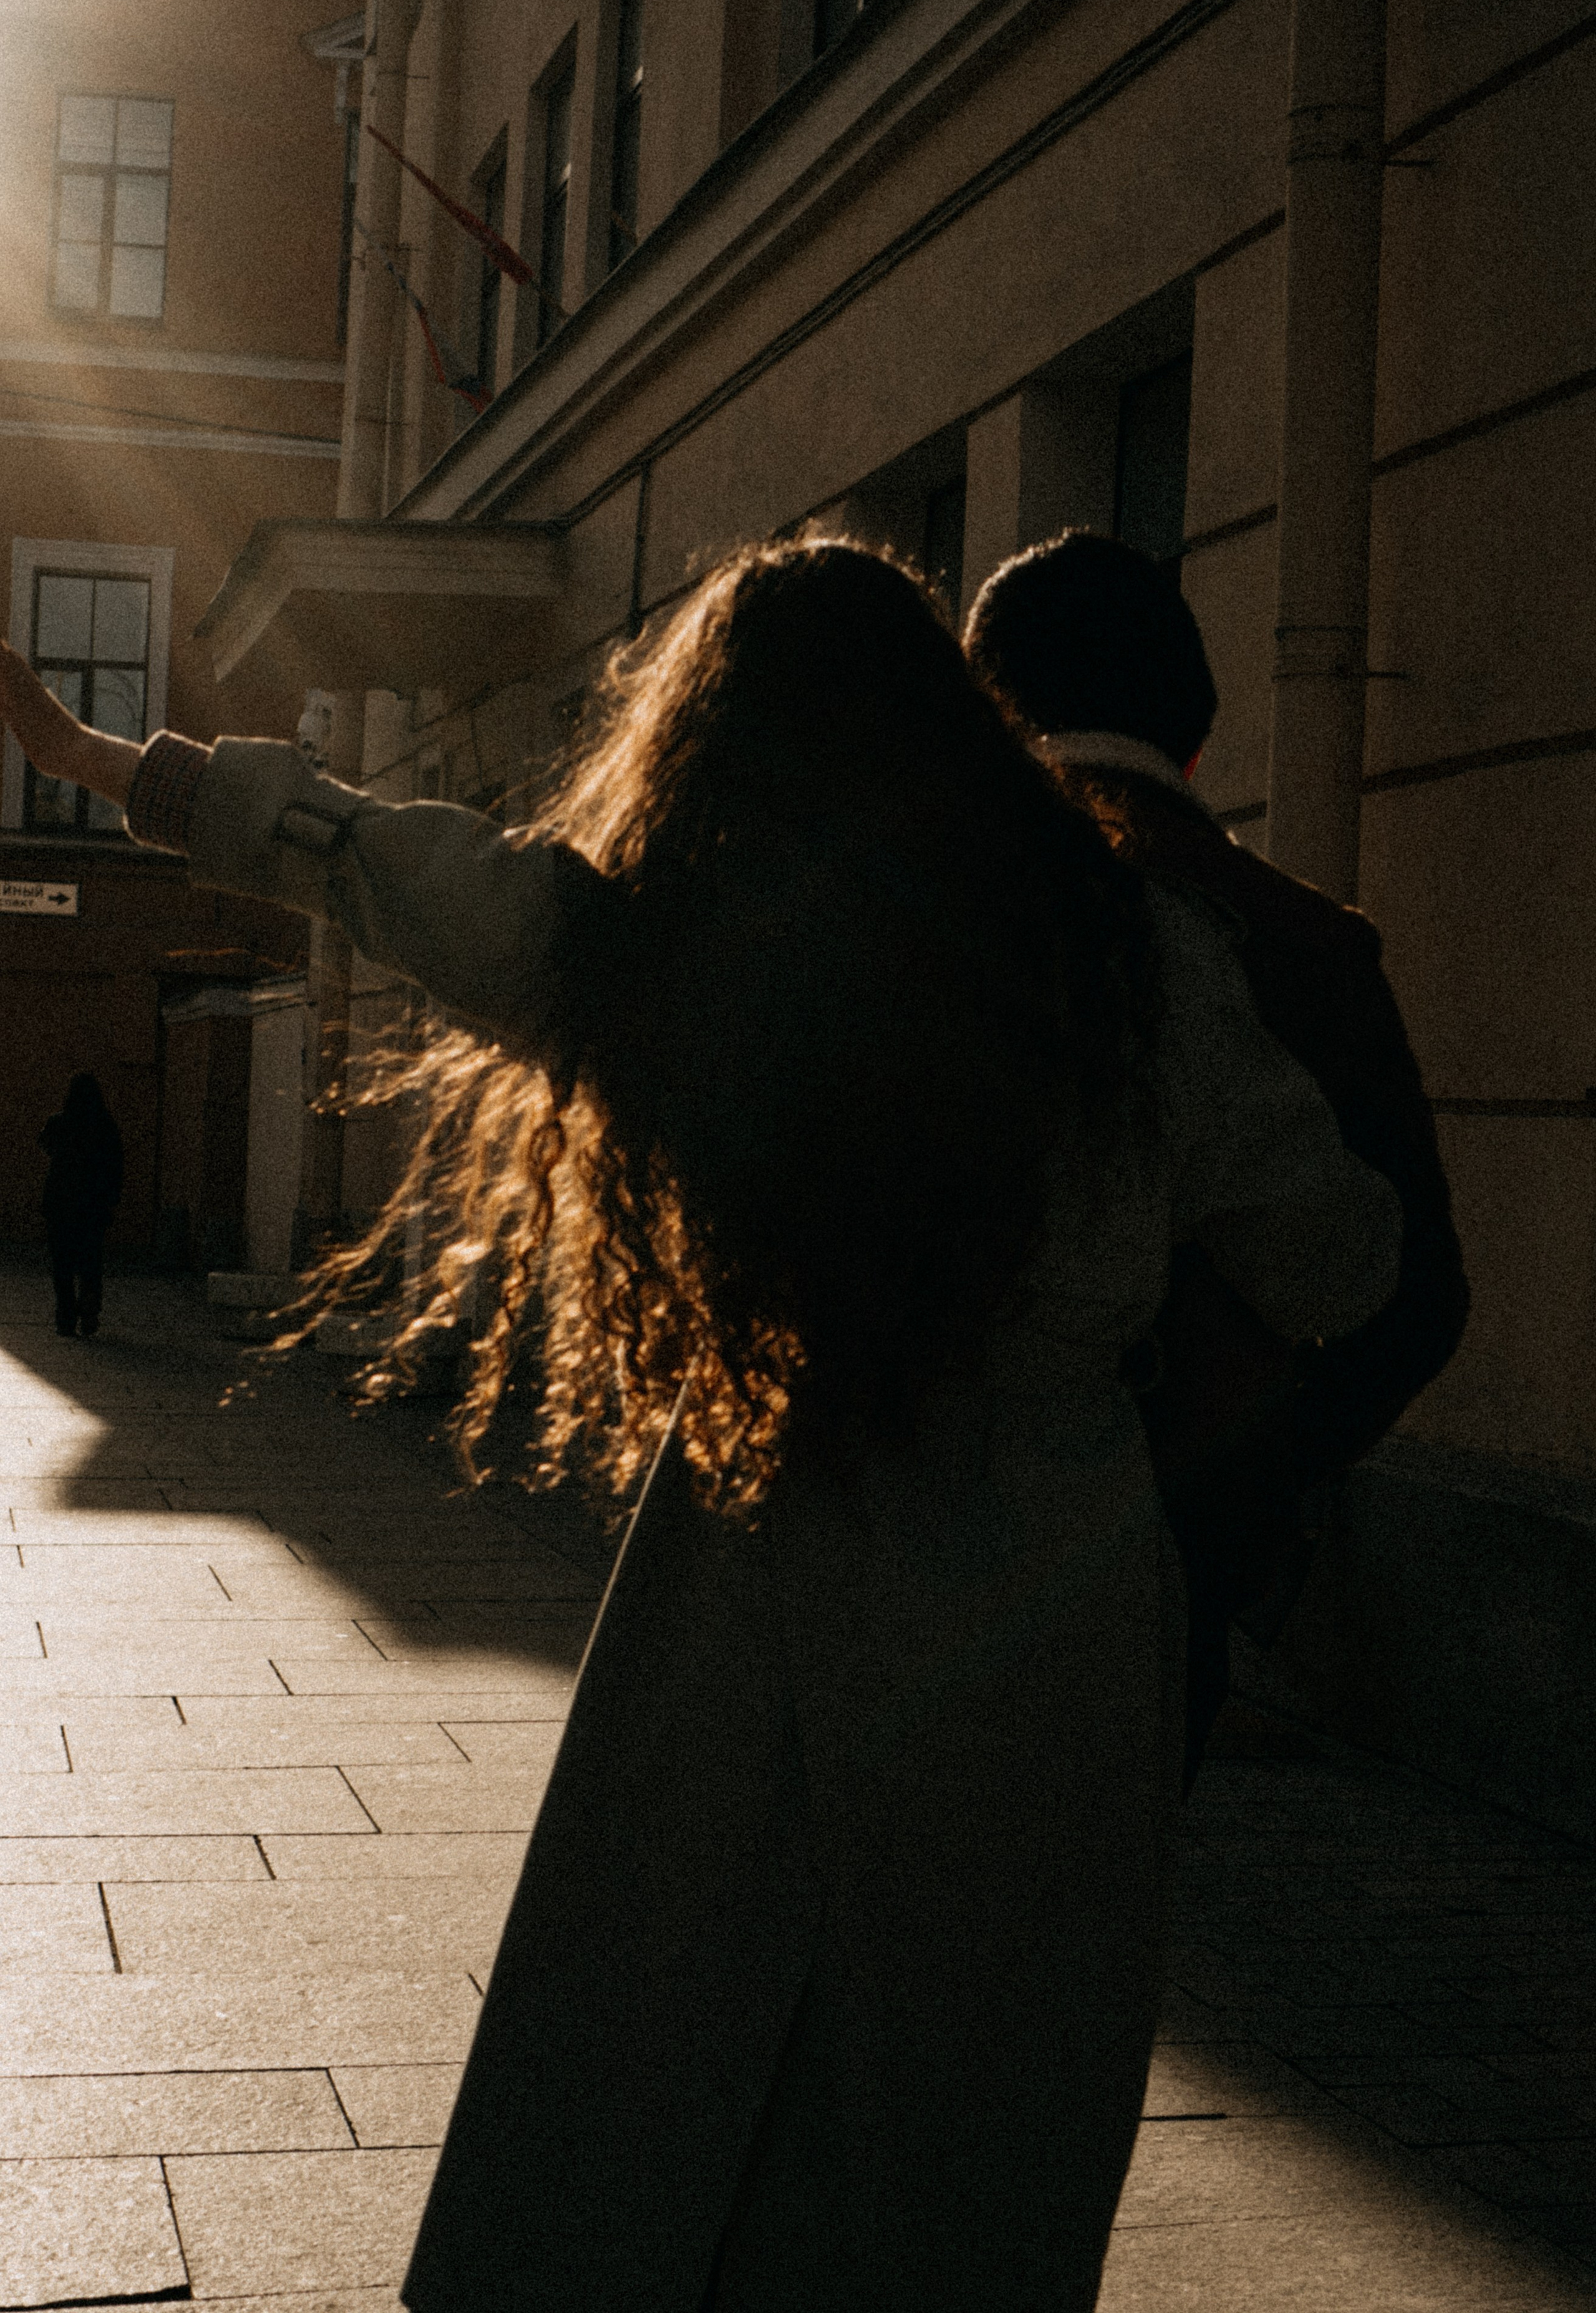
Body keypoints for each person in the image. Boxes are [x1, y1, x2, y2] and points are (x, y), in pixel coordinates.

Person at [0, 539, 1400, 2312]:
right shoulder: (1137, 965)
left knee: (658, 2091)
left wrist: (105, 759)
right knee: (970, 2131)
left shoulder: (685, 960)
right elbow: (1342, 1255)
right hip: (1054, 1623)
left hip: (755, 1574)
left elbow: (393, 863)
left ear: (716, 751)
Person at [964, 530, 1469, 1782]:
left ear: (982, 713)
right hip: (1170, 1552)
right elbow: (1416, 1298)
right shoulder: (1309, 948)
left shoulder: (927, 912)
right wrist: (1244, 1493)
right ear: (1192, 729)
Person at [39, 1071, 123, 1337]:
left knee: (62, 1263)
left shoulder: (58, 1123)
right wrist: (111, 1199)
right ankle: (90, 1307)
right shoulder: (106, 1126)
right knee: (90, 1259)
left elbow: (45, 1145)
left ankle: (66, 1317)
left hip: (60, 1202)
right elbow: (116, 1166)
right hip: (93, 1203)